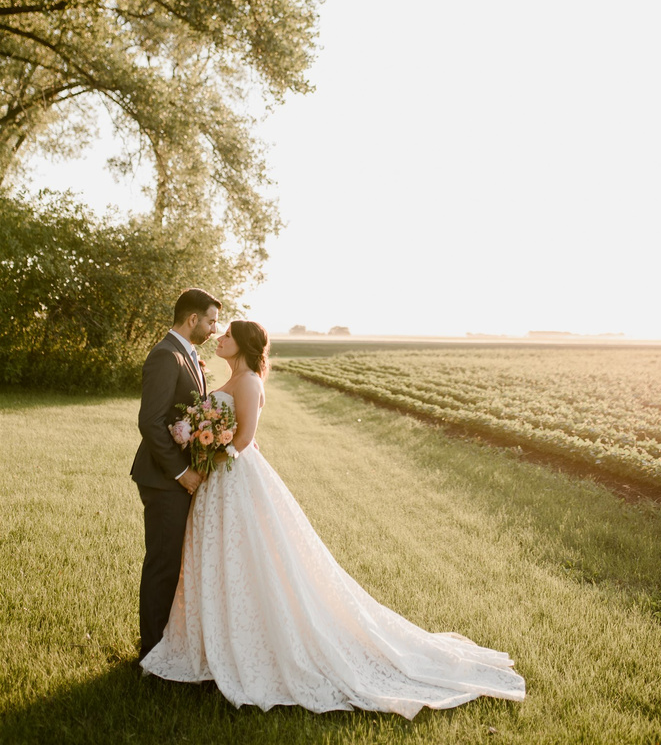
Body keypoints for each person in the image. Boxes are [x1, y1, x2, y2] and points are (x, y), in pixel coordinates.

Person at [141, 320, 526, 716]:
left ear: (241, 345)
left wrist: (208, 460)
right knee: (223, 561)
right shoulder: (230, 377)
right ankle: (217, 640)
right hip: (218, 482)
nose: (218, 339)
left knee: (252, 559)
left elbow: (241, 440)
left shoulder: (250, 381)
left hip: (233, 477)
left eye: (226, 337)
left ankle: (255, 645)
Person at [131, 287, 221, 661]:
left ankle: (166, 643)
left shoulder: (189, 355)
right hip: (162, 478)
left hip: (174, 477)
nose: (215, 328)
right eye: (212, 320)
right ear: (193, 318)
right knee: (163, 563)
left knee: (173, 562)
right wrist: (182, 471)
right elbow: (150, 422)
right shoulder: (166, 356)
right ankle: (151, 653)